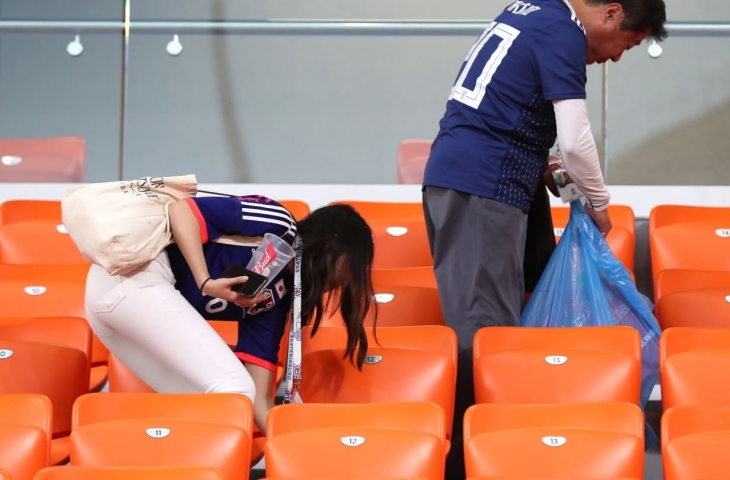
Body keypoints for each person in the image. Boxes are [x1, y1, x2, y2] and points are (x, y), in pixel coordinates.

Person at [421, 0, 667, 478]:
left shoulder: (530, 11)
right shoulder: (565, 32)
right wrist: (599, 203)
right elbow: (576, 139)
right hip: (483, 186)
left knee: (502, 324)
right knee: (484, 335)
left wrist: (552, 167)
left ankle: (508, 450)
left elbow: (511, 109)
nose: (616, 58)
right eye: (628, 45)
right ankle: (475, 463)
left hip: (479, 180)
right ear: (612, 14)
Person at [85, 196, 376, 433]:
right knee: (233, 391)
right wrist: (205, 281)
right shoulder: (279, 222)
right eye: (355, 265)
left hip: (115, 308)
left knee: (211, 408)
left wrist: (294, 446)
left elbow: (259, 399)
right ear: (333, 243)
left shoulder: (278, 298)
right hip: (133, 275)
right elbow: (181, 210)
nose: (350, 280)